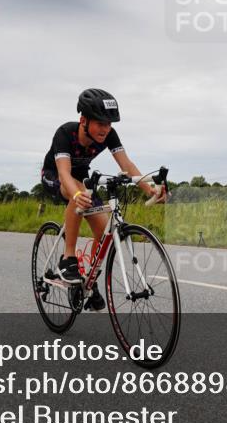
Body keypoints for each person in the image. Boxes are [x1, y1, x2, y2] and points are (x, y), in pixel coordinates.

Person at [39, 88, 163, 311]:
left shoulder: (109, 135)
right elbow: (64, 173)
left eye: (109, 124)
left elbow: (127, 165)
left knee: (103, 230)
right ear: (83, 120)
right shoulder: (65, 133)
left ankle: (89, 280)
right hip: (55, 175)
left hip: (83, 181)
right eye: (100, 123)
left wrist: (150, 189)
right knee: (77, 192)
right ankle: (68, 258)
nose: (105, 129)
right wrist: (77, 195)